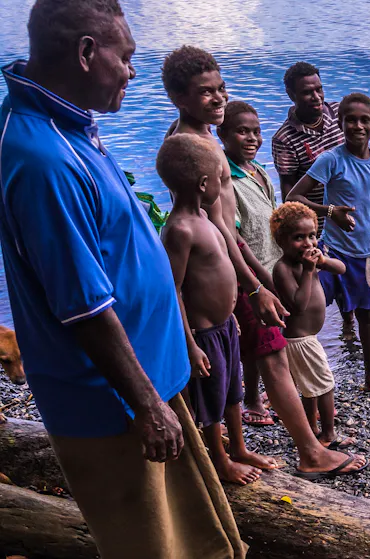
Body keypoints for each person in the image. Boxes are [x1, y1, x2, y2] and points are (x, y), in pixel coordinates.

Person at [0, 1, 244, 556]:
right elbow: (81, 305)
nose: (133, 71)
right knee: (150, 545)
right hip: (115, 403)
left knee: (199, 537)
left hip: (148, 377)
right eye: (126, 57)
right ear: (87, 53)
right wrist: (146, 407)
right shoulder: (42, 158)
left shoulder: (67, 123)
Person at [162, 46, 366, 477]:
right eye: (205, 93)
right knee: (271, 357)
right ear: (179, 98)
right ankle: (310, 452)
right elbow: (224, 229)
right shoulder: (198, 149)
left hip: (229, 277)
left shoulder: (189, 140)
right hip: (223, 279)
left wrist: (256, 281)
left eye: (221, 89)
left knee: (240, 366)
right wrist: (257, 287)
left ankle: (239, 449)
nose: (218, 98)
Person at [158, 133, 279, 485]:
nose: (223, 184)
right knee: (210, 402)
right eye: (221, 178)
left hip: (225, 326)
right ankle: (219, 459)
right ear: (203, 183)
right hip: (203, 334)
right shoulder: (180, 230)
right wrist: (190, 344)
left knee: (231, 391)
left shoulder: (206, 219)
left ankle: (238, 447)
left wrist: (232, 318)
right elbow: (174, 290)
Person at [288, 92, 370, 396]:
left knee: (366, 316)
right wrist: (329, 211)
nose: (357, 126)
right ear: (340, 123)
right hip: (330, 252)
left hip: (367, 256)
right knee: (308, 311)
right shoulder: (331, 160)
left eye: (365, 121)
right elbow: (293, 196)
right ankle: (296, 374)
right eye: (351, 120)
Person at [273, 62, 370, 337]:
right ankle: (341, 329)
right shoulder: (285, 138)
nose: (316, 97)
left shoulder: (336, 111)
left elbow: (362, 124)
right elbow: (289, 192)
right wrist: (321, 216)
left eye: (319, 89)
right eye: (307, 92)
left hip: (358, 209)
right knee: (329, 284)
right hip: (318, 218)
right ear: (292, 95)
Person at [272, 203, 363, 462]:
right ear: (281, 240)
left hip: (307, 338)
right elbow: (297, 306)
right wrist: (310, 271)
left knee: (310, 387)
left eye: (312, 235)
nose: (307, 242)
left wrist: (322, 260)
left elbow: (342, 268)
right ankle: (329, 434)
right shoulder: (283, 268)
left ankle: (312, 430)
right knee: (324, 385)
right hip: (299, 340)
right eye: (298, 237)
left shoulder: (312, 258)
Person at [217, 100, 283, 427]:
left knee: (262, 340)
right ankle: (255, 399)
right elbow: (236, 240)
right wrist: (257, 282)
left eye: (256, 131)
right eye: (243, 131)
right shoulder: (227, 180)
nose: (252, 138)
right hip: (250, 277)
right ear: (223, 134)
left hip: (272, 269)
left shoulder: (259, 172)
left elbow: (272, 219)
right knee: (262, 342)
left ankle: (261, 393)